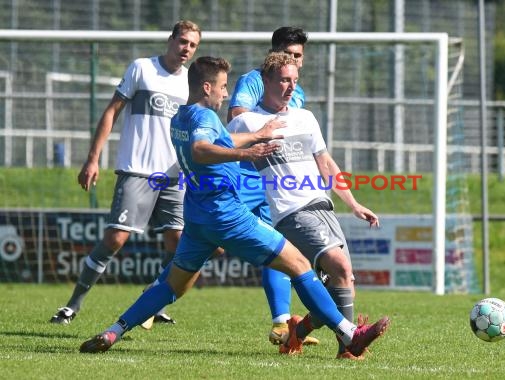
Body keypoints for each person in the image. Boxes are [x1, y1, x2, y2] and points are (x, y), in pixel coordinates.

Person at [78, 56, 390, 360]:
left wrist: (256, 135)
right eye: (223, 87)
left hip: (197, 217)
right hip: (225, 214)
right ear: (206, 88)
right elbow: (202, 149)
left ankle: (114, 330)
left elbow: (220, 138)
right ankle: (350, 334)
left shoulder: (180, 117)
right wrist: (249, 152)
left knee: (173, 284)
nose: (227, 94)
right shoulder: (204, 118)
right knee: (299, 266)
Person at [228, 52, 387, 359]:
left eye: (295, 81)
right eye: (284, 80)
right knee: (339, 267)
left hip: (323, 208)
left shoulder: (306, 117)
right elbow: (217, 149)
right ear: (266, 82)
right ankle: (349, 345)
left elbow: (325, 162)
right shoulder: (248, 122)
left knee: (343, 280)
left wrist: (353, 203)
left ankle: (296, 333)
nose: (290, 87)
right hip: (291, 213)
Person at [50, 20, 202, 326]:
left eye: (193, 45)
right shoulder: (142, 69)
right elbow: (111, 111)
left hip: (174, 176)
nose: (186, 49)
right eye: (183, 41)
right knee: (116, 239)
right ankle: (72, 305)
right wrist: (93, 159)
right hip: (138, 170)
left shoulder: (190, 83)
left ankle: (154, 302)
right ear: (171, 39)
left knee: (178, 241)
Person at [226, 26, 316, 346]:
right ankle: (154, 295)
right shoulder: (254, 80)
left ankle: (282, 324)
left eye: (299, 57)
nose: (294, 61)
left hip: (272, 182)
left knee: (279, 247)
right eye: (289, 54)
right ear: (273, 54)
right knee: (205, 246)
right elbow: (237, 115)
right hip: (242, 176)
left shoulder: (297, 91)